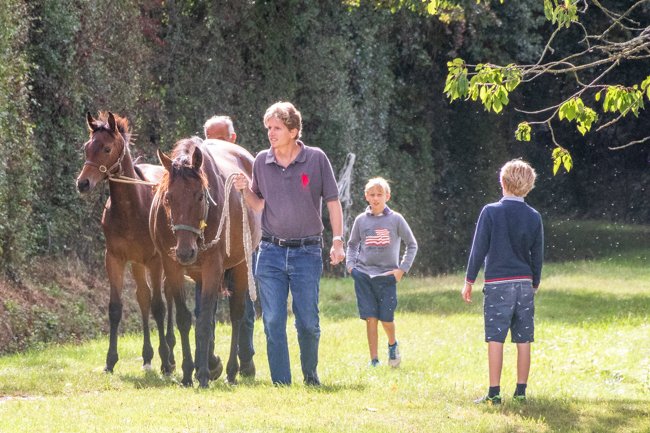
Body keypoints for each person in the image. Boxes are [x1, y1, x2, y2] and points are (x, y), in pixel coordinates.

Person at [233, 101, 345, 386]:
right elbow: (259, 204)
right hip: (270, 252)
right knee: (272, 321)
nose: (271, 133)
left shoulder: (316, 159)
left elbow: (333, 202)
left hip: (307, 252)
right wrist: (244, 190)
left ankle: (310, 376)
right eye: (269, 128)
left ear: (294, 131)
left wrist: (337, 240)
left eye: (277, 128)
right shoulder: (261, 161)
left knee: (307, 322)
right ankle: (281, 383)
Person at [462, 159, 544, 405]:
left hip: (498, 283)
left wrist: (469, 280)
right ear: (529, 186)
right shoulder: (534, 216)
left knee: (495, 338)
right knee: (524, 338)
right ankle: (520, 392)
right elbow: (537, 254)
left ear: (503, 182)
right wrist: (535, 281)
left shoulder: (491, 212)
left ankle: (494, 392)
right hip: (524, 283)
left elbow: (478, 248)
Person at [195, 114, 256, 377]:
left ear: (233, 138)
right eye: (209, 139)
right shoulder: (198, 171)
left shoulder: (242, 163)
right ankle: (208, 357)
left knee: (243, 300)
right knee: (203, 302)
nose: (214, 144)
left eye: (220, 138)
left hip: (240, 244)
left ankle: (246, 356)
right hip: (210, 249)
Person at [346, 177, 418, 368]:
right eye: (372, 195)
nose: (376, 198)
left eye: (380, 194)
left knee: (386, 319)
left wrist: (402, 269)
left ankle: (392, 344)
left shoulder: (396, 219)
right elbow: (352, 245)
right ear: (366, 196)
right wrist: (351, 266)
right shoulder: (361, 220)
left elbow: (412, 244)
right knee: (370, 318)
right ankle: (374, 360)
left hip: (387, 277)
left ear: (388, 196)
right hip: (364, 276)